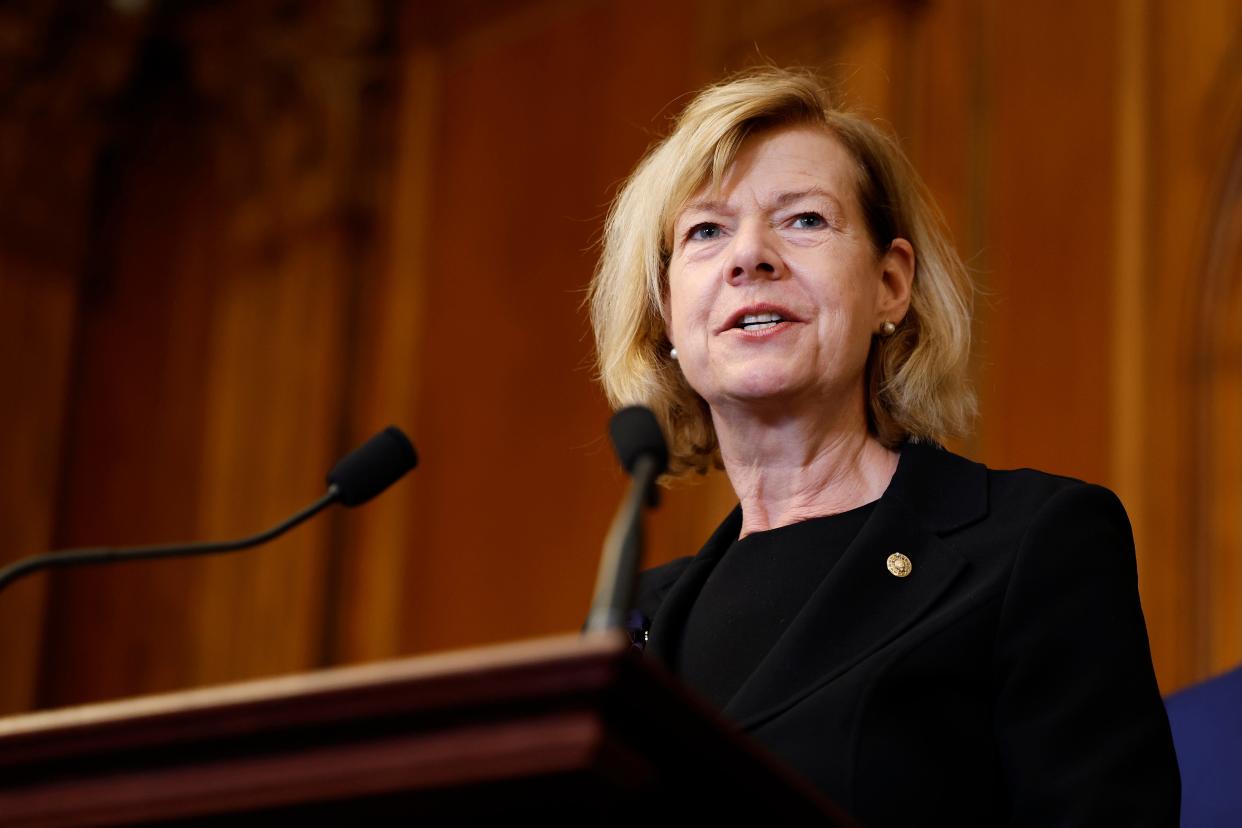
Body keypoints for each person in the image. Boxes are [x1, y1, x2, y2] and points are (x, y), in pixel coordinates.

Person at [587, 68, 1179, 826]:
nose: (749, 257)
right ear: (668, 315)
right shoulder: (628, 624)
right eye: (706, 230)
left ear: (890, 285)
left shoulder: (1033, 544)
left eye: (802, 220)